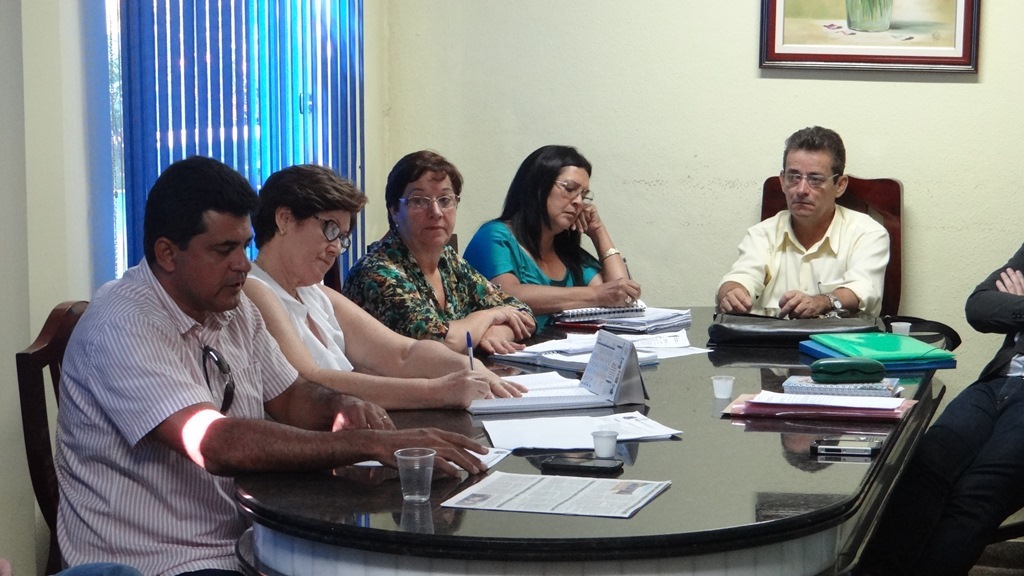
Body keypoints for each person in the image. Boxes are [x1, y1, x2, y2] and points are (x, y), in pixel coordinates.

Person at [55, 156, 493, 575]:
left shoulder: (233, 308)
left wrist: (340, 406)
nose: (242, 264)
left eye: (244, 245)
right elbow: (214, 442)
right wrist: (366, 444)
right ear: (168, 254)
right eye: (224, 249)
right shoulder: (123, 322)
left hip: (244, 538)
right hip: (163, 560)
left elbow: (291, 395)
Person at [245, 163, 525, 409]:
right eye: (330, 230)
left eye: (342, 237)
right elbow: (310, 381)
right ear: (285, 219)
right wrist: (435, 391)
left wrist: (470, 366)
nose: (336, 248)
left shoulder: (315, 292)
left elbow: (403, 353)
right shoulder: (255, 287)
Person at [857, 244, 1024, 576]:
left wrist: (1016, 304)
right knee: (923, 466)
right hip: (997, 384)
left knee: (977, 493)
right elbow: (979, 307)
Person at [342, 151, 535, 355]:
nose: (436, 212)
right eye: (419, 200)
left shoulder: (447, 260)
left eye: (445, 200)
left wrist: (493, 335)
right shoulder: (375, 273)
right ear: (394, 210)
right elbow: (440, 344)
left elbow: (522, 312)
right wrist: (488, 317)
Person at [716, 126, 889, 319]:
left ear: (840, 185)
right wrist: (731, 292)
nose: (801, 190)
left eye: (815, 179)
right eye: (793, 177)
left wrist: (822, 301)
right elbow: (741, 277)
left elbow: (863, 288)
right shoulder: (762, 234)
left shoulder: (867, 233)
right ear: (782, 181)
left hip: (838, 337)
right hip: (771, 335)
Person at [463, 145, 641, 327]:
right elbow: (507, 296)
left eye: (584, 195)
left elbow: (622, 295)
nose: (578, 202)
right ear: (537, 187)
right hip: (504, 345)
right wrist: (596, 295)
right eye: (569, 189)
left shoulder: (567, 252)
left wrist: (598, 231)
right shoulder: (494, 235)